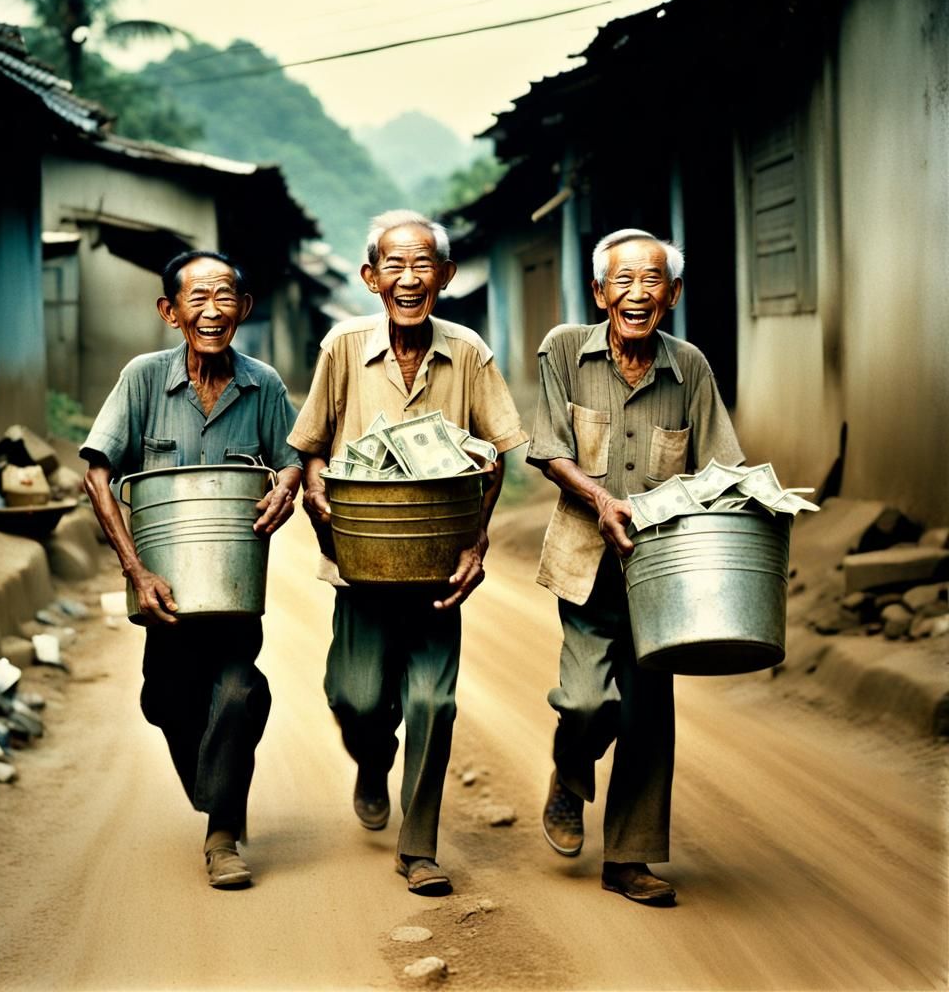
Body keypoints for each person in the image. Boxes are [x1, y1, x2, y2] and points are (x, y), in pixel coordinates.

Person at [288, 210, 527, 895]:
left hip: (435, 569)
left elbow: (496, 454)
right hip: (360, 567)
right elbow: (310, 447)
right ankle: (370, 760)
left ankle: (418, 846)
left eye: (422, 265)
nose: (408, 278)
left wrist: (478, 537)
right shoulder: (342, 347)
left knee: (433, 702)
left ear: (445, 276)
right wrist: (313, 490)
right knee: (357, 699)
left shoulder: (470, 353)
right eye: (393, 266)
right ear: (369, 277)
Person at [526, 228, 744, 905]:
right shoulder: (565, 350)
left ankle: (629, 859)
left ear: (673, 293)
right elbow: (548, 449)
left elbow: (722, 466)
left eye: (652, 281)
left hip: (662, 573)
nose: (636, 293)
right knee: (590, 700)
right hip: (586, 561)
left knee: (649, 711)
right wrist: (600, 498)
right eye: (622, 281)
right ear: (599, 292)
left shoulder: (691, 369)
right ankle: (569, 770)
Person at [80, 250, 302, 889]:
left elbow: (292, 457)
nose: (212, 311)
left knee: (238, 692)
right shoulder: (143, 379)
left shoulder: (264, 385)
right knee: (167, 700)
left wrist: (286, 486)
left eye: (225, 297)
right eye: (196, 299)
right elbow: (99, 473)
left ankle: (223, 834)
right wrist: (134, 568)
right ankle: (219, 788)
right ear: (169, 311)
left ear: (244, 309)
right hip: (166, 595)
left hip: (234, 592)